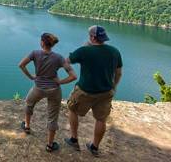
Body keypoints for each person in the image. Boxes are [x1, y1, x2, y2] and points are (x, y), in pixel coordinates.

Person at [64, 25, 123, 156]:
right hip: (106, 92)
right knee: (101, 119)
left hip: (85, 91)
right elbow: (118, 73)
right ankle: (94, 147)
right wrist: (114, 86)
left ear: (92, 37)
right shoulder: (114, 51)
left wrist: (72, 74)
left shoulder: (84, 51)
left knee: (72, 109)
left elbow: (66, 61)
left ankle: (74, 139)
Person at [18, 33, 77, 153]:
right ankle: (50, 145)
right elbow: (73, 76)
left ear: (42, 43)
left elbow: (21, 65)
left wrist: (31, 77)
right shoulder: (59, 58)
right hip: (54, 90)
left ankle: (27, 127)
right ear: (52, 45)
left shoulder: (34, 53)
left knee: (29, 103)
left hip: (38, 88)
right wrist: (60, 82)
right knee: (52, 117)